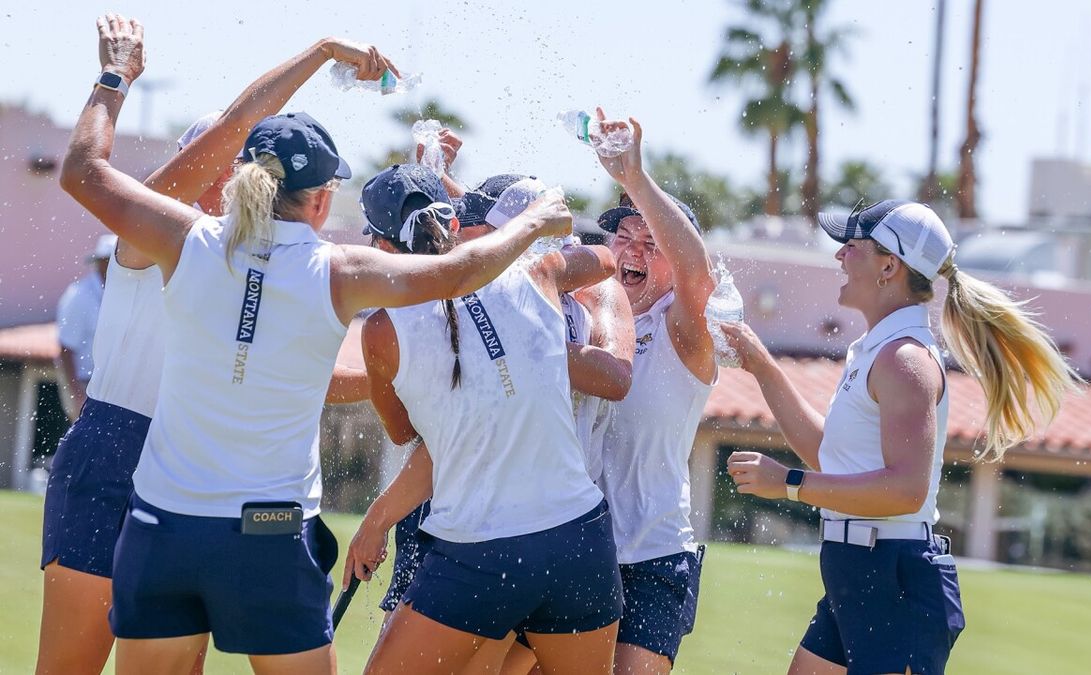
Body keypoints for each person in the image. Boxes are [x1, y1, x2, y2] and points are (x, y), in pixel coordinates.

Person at [60, 15, 570, 673]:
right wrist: (531, 222)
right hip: (270, 535)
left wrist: (114, 77)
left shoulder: (184, 239)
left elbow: (81, 170)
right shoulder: (340, 271)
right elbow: (459, 271)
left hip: (163, 530)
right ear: (323, 202)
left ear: (241, 176)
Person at [37, 32, 384, 675]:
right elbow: (235, 124)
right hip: (118, 449)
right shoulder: (159, 234)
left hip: (191, 469)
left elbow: (307, 379)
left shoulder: (248, 263)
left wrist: (396, 381)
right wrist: (316, 54)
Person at [721, 199, 1081, 675]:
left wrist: (789, 483)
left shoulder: (903, 359)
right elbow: (832, 456)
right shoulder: (878, 352)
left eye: (851, 246)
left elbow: (905, 490)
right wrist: (762, 366)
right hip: (861, 570)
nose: (839, 257)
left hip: (894, 576)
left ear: (888, 265)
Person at [343, 171, 633, 674]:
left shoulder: (383, 331)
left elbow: (407, 434)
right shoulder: (535, 273)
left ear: (384, 245)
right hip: (580, 541)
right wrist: (526, 237)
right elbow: (605, 259)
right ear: (456, 223)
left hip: (481, 553)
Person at [591, 111, 717, 673]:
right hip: (577, 546)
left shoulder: (683, 329)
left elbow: (697, 274)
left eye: (652, 241)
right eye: (626, 234)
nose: (634, 250)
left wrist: (635, 180)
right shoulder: (593, 312)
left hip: (653, 556)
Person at [55, 234, 114, 420]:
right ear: (102, 263)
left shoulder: (118, 293)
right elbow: (65, 349)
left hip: (108, 387)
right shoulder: (79, 296)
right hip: (84, 384)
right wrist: (76, 393)